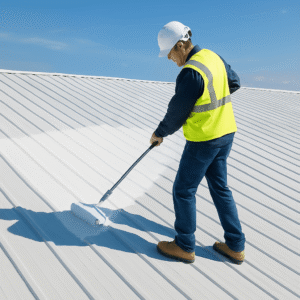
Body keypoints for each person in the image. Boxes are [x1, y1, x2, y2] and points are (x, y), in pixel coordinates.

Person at [150, 21, 246, 264]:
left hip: (204, 139)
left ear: (180, 45)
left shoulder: (191, 72)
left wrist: (159, 133)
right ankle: (235, 245)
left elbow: (177, 112)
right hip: (225, 133)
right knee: (220, 188)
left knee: (183, 190)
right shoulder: (212, 57)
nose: (170, 58)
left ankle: (184, 245)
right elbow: (233, 82)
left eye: (170, 53)